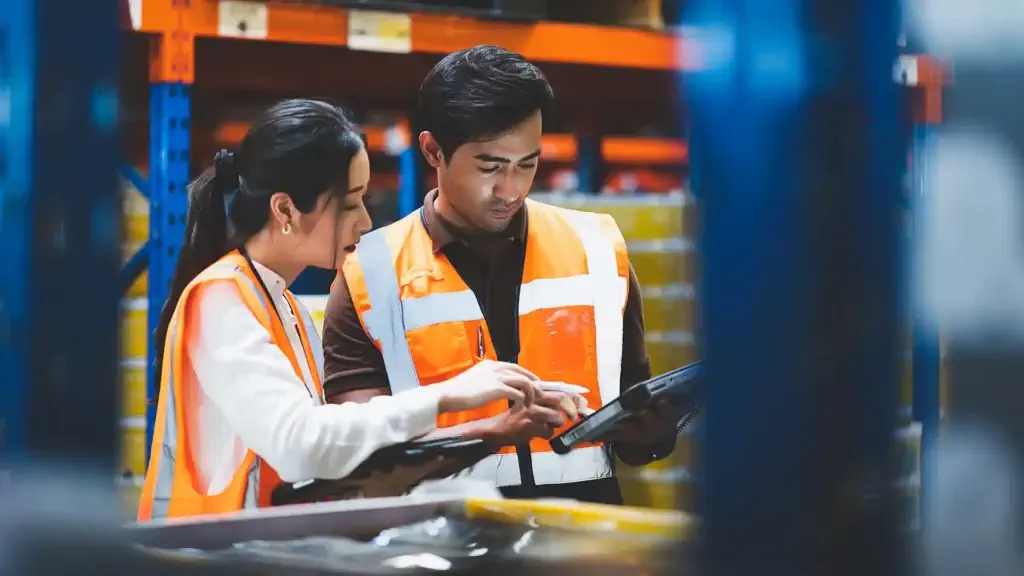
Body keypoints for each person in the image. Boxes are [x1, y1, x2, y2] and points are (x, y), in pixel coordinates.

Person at [137, 99, 545, 521]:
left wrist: (480, 431)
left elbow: (329, 449)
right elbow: (300, 445)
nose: (365, 221)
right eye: (350, 203)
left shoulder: (282, 304)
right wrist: (444, 396)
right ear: (285, 210)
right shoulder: (220, 299)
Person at [322, 47, 684, 505]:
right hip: (442, 547)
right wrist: (494, 432)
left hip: (580, 544)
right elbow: (355, 456)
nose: (510, 190)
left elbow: (634, 432)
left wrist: (653, 430)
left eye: (527, 164)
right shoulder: (369, 276)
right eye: (490, 167)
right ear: (434, 150)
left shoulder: (597, 249)